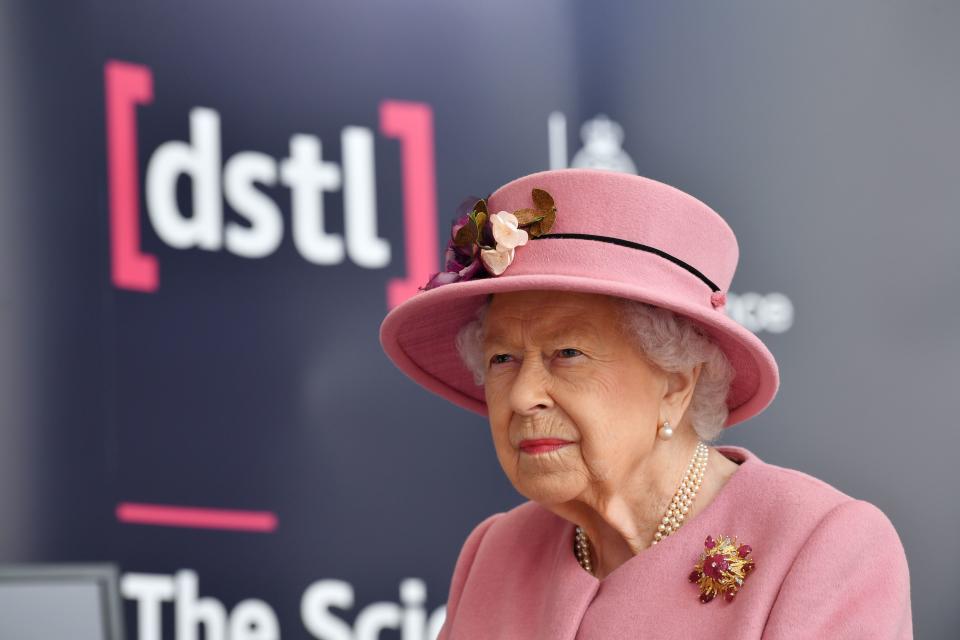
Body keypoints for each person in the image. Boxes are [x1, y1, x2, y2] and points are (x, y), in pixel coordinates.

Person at [379, 169, 912, 639]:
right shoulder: (494, 553)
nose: (521, 396)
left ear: (676, 382)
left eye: (568, 353)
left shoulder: (821, 548)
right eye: (502, 359)